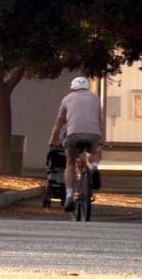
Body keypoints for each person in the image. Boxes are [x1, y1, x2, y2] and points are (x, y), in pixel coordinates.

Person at [48, 76, 103, 212]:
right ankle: (95, 168)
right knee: (96, 149)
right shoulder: (95, 99)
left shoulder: (67, 99)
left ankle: (69, 196)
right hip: (93, 134)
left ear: (73, 87)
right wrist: (102, 138)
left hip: (74, 135)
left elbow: (60, 122)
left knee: (71, 162)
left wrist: (54, 139)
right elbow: (99, 119)